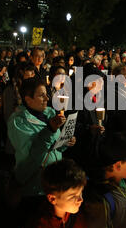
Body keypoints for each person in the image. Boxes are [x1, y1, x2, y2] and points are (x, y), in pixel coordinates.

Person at [7, 78, 77, 214]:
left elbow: (52, 146)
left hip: (54, 182)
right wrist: (50, 129)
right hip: (34, 184)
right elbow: (33, 153)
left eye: (46, 94)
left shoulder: (50, 113)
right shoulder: (18, 122)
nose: (47, 98)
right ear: (28, 99)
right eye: (41, 95)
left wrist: (65, 143)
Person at [19, 159, 87, 228]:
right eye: (73, 196)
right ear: (52, 199)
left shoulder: (78, 216)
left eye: (80, 192)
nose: (80, 199)